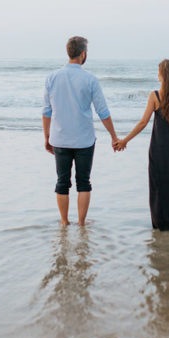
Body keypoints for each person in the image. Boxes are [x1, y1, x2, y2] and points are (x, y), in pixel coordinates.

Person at [42, 36, 119, 226]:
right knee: (83, 181)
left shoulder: (52, 77)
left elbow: (46, 111)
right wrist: (114, 136)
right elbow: (103, 112)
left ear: (69, 52)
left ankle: (64, 221)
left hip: (59, 139)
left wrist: (47, 136)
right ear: (83, 54)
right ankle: (82, 223)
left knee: (62, 182)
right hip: (84, 140)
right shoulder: (90, 79)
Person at [115, 59, 169, 230]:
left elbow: (143, 123)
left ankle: (161, 222)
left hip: (160, 149)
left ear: (164, 76)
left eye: (158, 72)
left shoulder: (155, 96)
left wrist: (124, 141)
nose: (157, 75)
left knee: (159, 186)